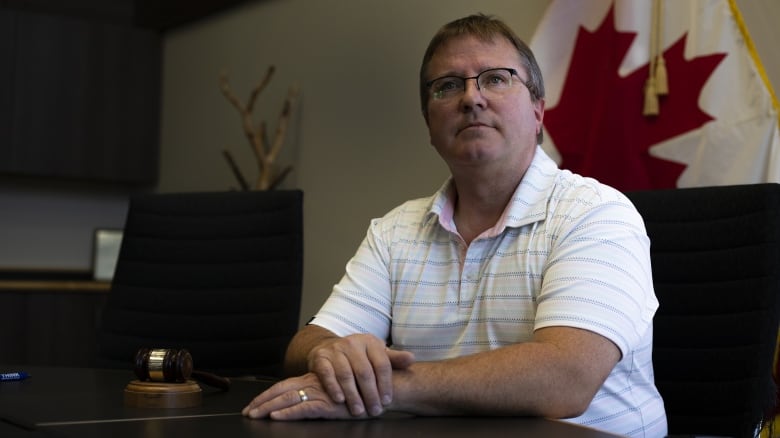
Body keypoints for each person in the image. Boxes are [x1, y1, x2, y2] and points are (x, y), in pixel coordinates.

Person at [243, 13, 667, 437]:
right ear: (430, 125)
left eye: (496, 79)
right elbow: (308, 341)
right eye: (447, 86)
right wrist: (332, 355)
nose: (471, 98)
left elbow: (566, 378)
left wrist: (381, 387)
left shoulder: (596, 212)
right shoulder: (394, 232)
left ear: (539, 112)